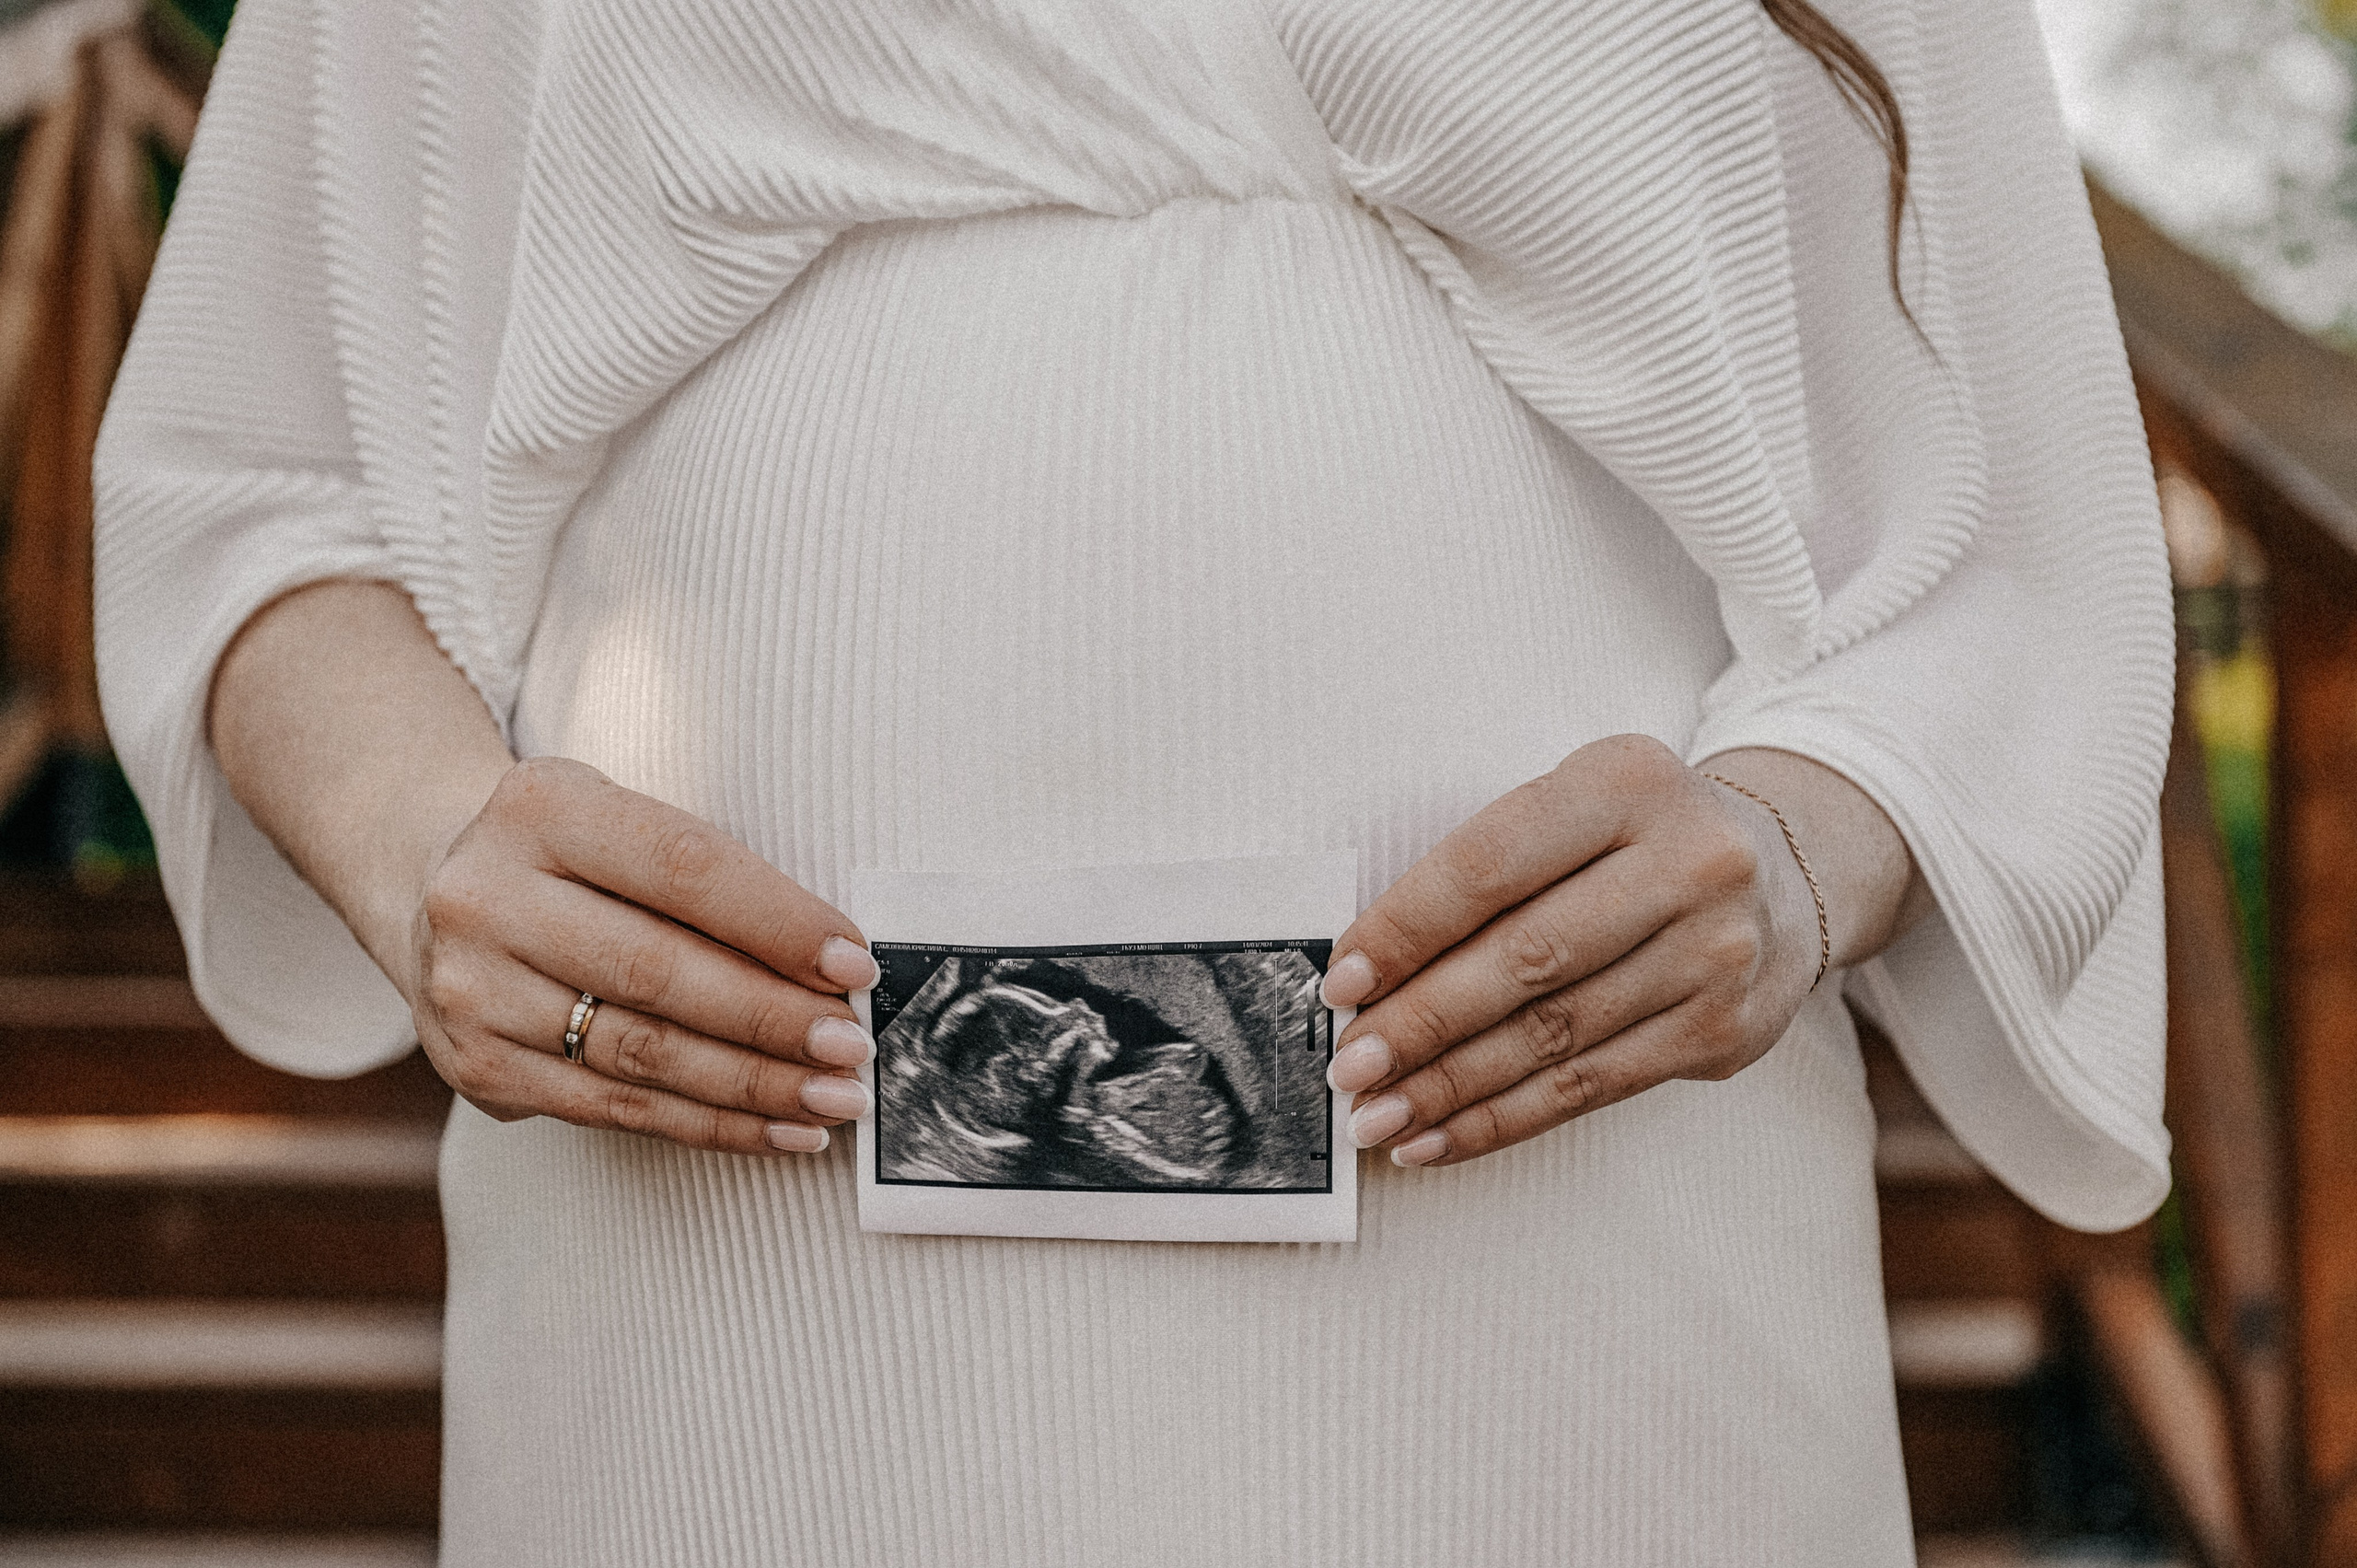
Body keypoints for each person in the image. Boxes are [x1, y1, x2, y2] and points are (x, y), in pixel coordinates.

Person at [93, 0, 2173, 1562]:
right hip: (729, 1304)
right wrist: (423, 844)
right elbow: (257, 480)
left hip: (1587, 1259)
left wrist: (1800, 846)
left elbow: (2012, 526)